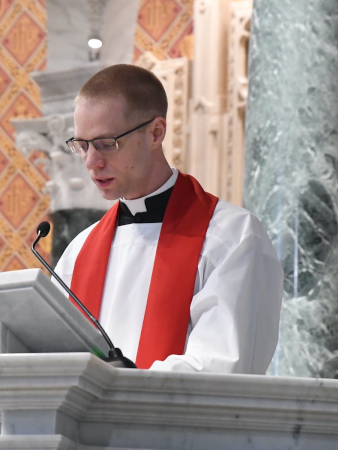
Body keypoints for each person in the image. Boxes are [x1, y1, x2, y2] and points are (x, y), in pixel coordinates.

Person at [53, 64, 283, 374]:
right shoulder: (79, 252)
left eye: (106, 144)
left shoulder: (231, 236)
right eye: (82, 146)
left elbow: (222, 367)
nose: (92, 162)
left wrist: (122, 391)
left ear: (155, 133)